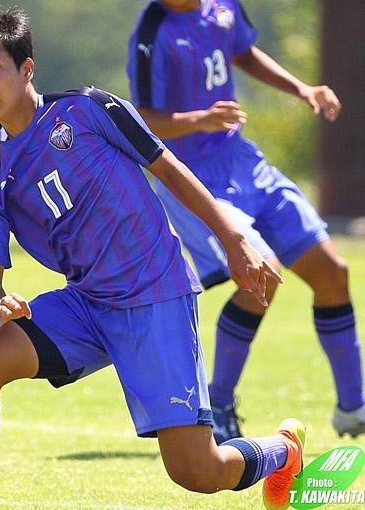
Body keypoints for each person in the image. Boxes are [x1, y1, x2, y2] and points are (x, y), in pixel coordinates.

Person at [0, 8, 304, 510]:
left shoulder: (89, 109)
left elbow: (169, 168)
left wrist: (233, 239)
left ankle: (284, 452)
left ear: (26, 69)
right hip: (86, 305)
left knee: (197, 471)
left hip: (155, 294)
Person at [127, 0, 363, 445]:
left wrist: (302, 89)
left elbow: (242, 51)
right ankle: (217, 406)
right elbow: (142, 120)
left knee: (332, 273)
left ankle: (355, 407)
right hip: (194, 181)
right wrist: (201, 119)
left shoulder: (224, 6)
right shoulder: (153, 31)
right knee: (262, 275)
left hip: (244, 162)